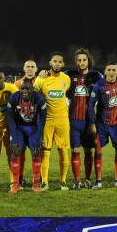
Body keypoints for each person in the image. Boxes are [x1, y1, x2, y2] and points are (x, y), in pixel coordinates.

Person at [34, 52, 72, 190]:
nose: (57, 64)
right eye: (54, 61)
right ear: (50, 62)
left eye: (60, 62)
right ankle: (44, 181)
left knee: (63, 150)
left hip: (63, 119)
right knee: (45, 150)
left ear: (63, 64)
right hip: (47, 120)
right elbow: (33, 95)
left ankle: (63, 181)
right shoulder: (41, 79)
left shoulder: (66, 79)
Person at [64, 49, 102, 189]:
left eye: (84, 60)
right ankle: (77, 181)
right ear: (76, 62)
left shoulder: (96, 76)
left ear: (88, 60)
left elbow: (109, 83)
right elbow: (55, 79)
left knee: (88, 151)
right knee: (75, 150)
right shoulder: (69, 75)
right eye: (79, 60)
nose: (81, 63)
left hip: (89, 121)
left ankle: (87, 179)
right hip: (74, 119)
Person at [88, 61, 117, 189]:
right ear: (105, 72)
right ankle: (98, 181)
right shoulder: (99, 85)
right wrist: (93, 123)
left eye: (113, 70)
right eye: (109, 70)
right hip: (102, 124)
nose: (111, 72)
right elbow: (90, 106)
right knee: (98, 151)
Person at [7, 78, 47, 193]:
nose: (24, 91)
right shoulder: (14, 98)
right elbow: (10, 118)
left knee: (36, 151)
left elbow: (42, 119)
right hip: (18, 128)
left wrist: (38, 136)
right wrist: (14, 137)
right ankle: (15, 184)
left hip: (33, 128)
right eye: (22, 88)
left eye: (27, 88)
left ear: (32, 89)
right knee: (15, 151)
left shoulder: (39, 99)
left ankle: (35, 184)